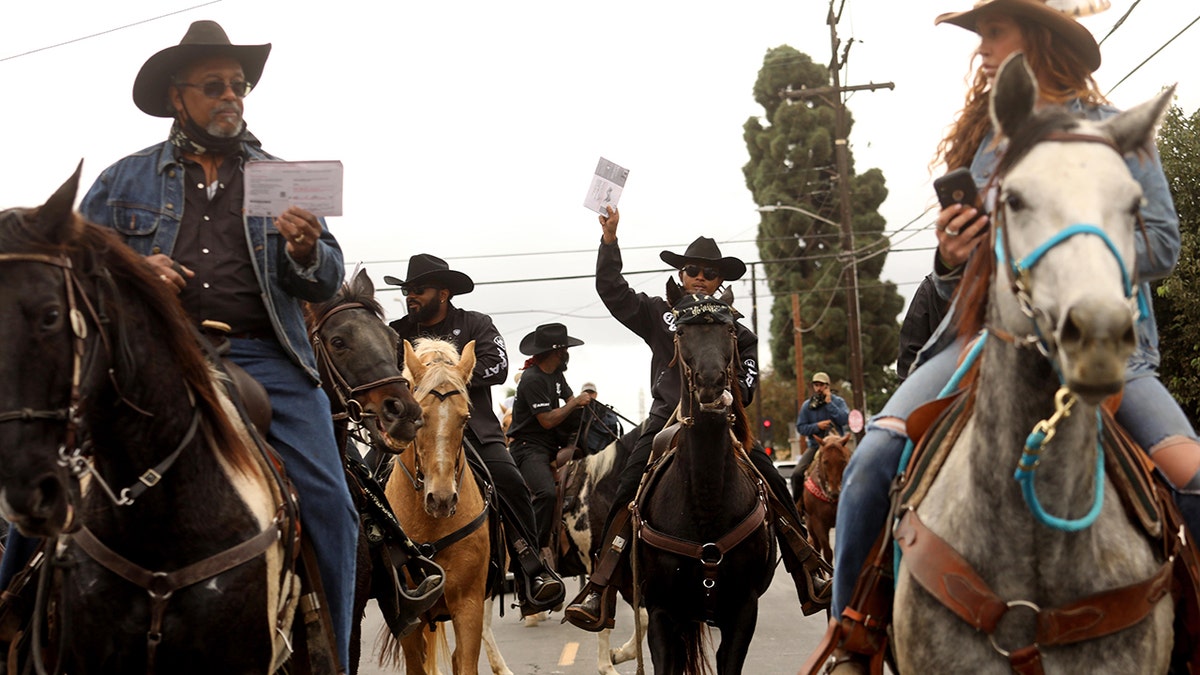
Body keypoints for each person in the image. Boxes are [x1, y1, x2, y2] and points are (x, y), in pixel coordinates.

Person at [829, 0, 1200, 664]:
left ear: (1038, 40)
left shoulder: (1116, 133)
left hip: (1112, 351)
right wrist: (950, 256)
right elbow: (964, 279)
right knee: (867, 466)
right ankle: (851, 634)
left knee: (1196, 482)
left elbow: (1165, 242)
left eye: (995, 31)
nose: (983, 48)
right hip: (981, 343)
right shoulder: (992, 148)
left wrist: (1074, 256)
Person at [73, 20, 359, 669]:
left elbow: (329, 275)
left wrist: (306, 249)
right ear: (179, 96)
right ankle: (12, 606)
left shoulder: (279, 175)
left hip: (266, 357)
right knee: (53, 467)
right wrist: (134, 270)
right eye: (214, 85)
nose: (231, 95)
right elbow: (75, 261)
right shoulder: (123, 181)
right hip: (154, 358)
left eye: (239, 84)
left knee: (333, 506)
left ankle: (332, 656)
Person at [564, 206, 830, 632]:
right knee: (627, 485)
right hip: (665, 417)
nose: (700, 277)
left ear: (720, 281)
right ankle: (601, 585)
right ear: (682, 277)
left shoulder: (739, 331)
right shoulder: (659, 313)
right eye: (692, 271)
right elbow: (612, 291)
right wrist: (609, 240)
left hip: (723, 420)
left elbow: (745, 385)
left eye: (709, 272)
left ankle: (808, 567)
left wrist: (727, 395)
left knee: (773, 479)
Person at [385, 254, 565, 615]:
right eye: (407, 291)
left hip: (473, 429)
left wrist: (443, 378)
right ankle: (367, 572)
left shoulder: (476, 324)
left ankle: (532, 570)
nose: (411, 297)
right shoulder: (395, 332)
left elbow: (498, 366)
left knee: (509, 480)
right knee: (363, 482)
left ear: (444, 293)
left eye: (419, 290)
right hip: (408, 433)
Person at [506, 323, 592, 557]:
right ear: (558, 352)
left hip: (550, 445)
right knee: (546, 494)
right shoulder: (532, 379)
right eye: (565, 349)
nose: (567, 354)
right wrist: (575, 404)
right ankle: (533, 549)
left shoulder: (555, 375)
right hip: (528, 448)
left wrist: (581, 405)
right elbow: (546, 420)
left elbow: (571, 398)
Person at [792, 372, 851, 483]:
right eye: (816, 385)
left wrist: (829, 404)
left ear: (827, 386)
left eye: (821, 385)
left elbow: (844, 420)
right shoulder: (807, 405)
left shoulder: (838, 402)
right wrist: (817, 426)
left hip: (839, 446)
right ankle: (795, 500)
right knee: (797, 474)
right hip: (816, 446)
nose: (818, 388)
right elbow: (800, 428)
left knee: (859, 470)